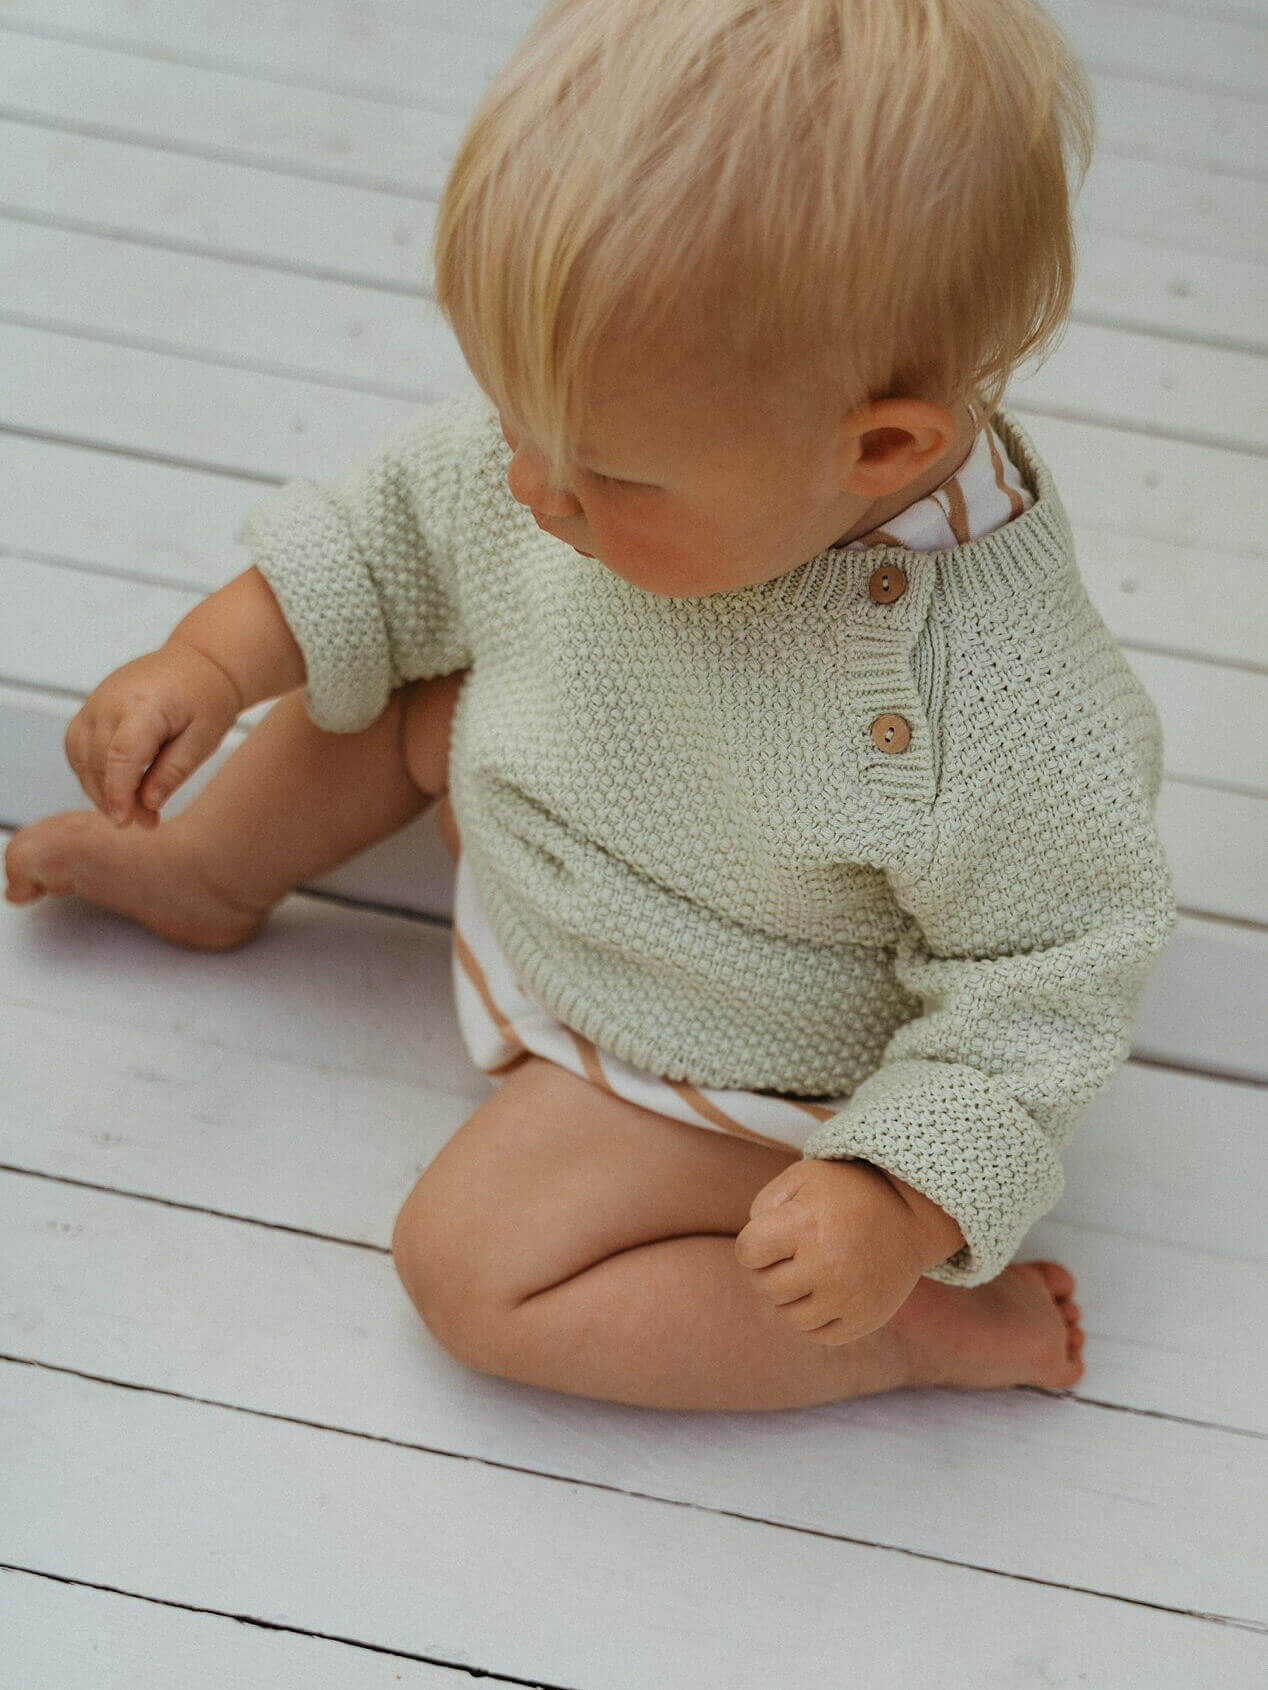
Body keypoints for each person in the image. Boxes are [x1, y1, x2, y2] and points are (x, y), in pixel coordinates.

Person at [4, 0, 1177, 1411]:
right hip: (561, 817)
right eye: (514, 422)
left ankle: (911, 1335)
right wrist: (208, 664)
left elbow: (1046, 982)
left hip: (725, 1034)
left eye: (602, 474)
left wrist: (898, 1192)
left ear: (879, 448)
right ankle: (210, 869)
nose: (529, 489)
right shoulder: (627, 428)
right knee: (398, 687)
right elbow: (396, 533)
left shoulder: (1005, 712)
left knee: (472, 1266)